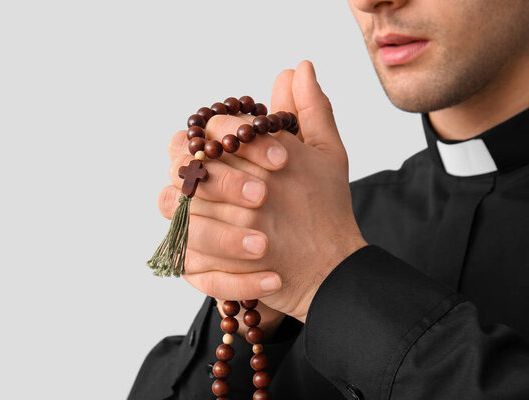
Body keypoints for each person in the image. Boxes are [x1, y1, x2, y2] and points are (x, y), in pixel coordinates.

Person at [129, 0, 529, 398]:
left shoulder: (327, 248)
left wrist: (332, 281)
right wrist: (249, 313)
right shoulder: (326, 221)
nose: (367, 2)